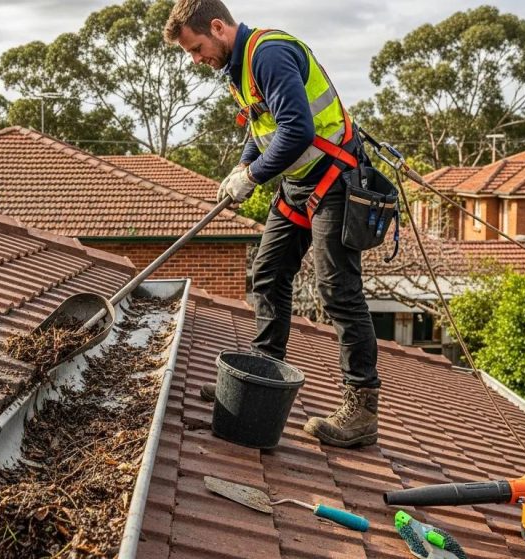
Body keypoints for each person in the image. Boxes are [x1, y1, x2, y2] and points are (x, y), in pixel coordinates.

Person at [164, 0, 381, 448]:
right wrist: (242, 166)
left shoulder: (268, 53)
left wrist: (254, 175)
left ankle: (361, 408)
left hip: (334, 178)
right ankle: (260, 374)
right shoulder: (237, 68)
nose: (197, 60)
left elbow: (298, 130)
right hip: (299, 183)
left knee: (337, 290)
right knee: (268, 272)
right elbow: (261, 127)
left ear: (219, 27)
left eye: (197, 48)